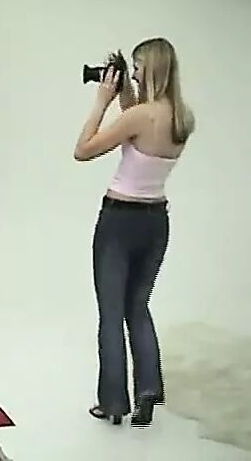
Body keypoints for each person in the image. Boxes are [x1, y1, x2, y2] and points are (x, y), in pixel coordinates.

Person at [73, 37, 195, 426]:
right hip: (156, 222)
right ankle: (148, 392)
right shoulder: (181, 117)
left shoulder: (139, 117)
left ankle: (112, 403)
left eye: (139, 67)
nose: (136, 73)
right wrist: (126, 90)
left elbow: (83, 150)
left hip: (119, 221)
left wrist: (101, 101)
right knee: (137, 307)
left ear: (153, 69)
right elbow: (138, 125)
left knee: (111, 314)